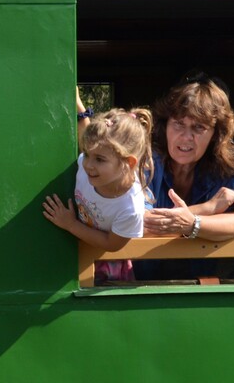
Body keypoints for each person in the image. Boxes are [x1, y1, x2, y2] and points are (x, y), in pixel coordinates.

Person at [140, 76, 234, 279]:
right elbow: (137, 225)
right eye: (178, 124)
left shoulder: (228, 170)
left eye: (199, 128)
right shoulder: (144, 163)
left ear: (216, 135)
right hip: (137, 289)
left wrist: (193, 224)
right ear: (165, 125)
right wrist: (207, 210)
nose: (185, 137)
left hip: (205, 290)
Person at [42, 107, 154, 282]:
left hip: (107, 267)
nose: (88, 165)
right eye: (87, 154)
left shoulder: (130, 207)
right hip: (74, 252)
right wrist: (79, 107)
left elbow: (112, 244)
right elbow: (85, 134)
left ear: (128, 163)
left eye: (100, 159)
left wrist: (71, 224)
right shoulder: (86, 165)